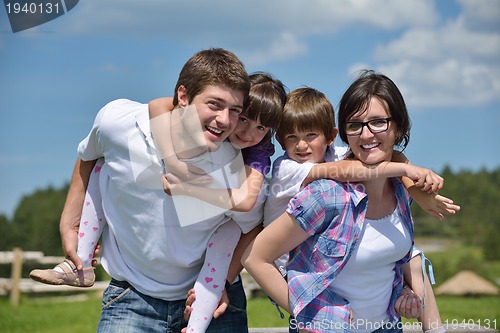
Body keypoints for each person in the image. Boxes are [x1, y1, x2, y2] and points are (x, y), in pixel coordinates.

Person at [36, 48, 260, 333]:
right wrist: (69, 219)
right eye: (214, 104)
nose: (225, 120)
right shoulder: (118, 123)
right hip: (130, 296)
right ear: (183, 96)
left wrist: (221, 283)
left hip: (208, 304)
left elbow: (251, 226)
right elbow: (89, 153)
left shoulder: (238, 161)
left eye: (235, 110)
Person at [242, 71, 456, 333]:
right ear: (345, 132)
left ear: (398, 126)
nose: (366, 135)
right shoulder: (320, 191)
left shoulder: (399, 192)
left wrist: (411, 292)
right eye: (355, 125)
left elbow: (408, 256)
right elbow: (255, 257)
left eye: (378, 122)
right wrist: (309, 315)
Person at [149, 72, 287, 333]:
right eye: (243, 118)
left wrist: (188, 189)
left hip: (232, 229)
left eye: (262, 127)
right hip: (181, 247)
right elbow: (157, 104)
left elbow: (246, 202)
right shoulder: (214, 122)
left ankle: (197, 321)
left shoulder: (259, 151)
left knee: (227, 236)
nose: (248, 133)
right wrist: (176, 163)